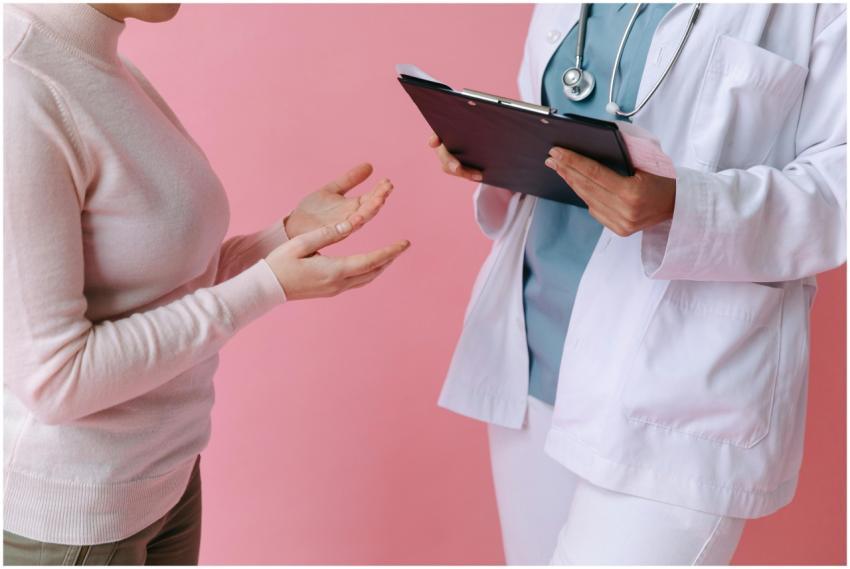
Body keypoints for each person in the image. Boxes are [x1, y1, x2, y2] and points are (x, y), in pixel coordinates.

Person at [431, 3, 845, 565]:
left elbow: (838, 186)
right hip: (536, 349)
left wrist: (684, 205)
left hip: (683, 380)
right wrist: (494, 146)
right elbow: (556, 111)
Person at [4, 3, 409, 565]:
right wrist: (267, 286)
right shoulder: (19, 88)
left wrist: (282, 239)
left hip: (165, 482)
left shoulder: (100, 61)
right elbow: (54, 380)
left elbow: (167, 285)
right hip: (74, 516)